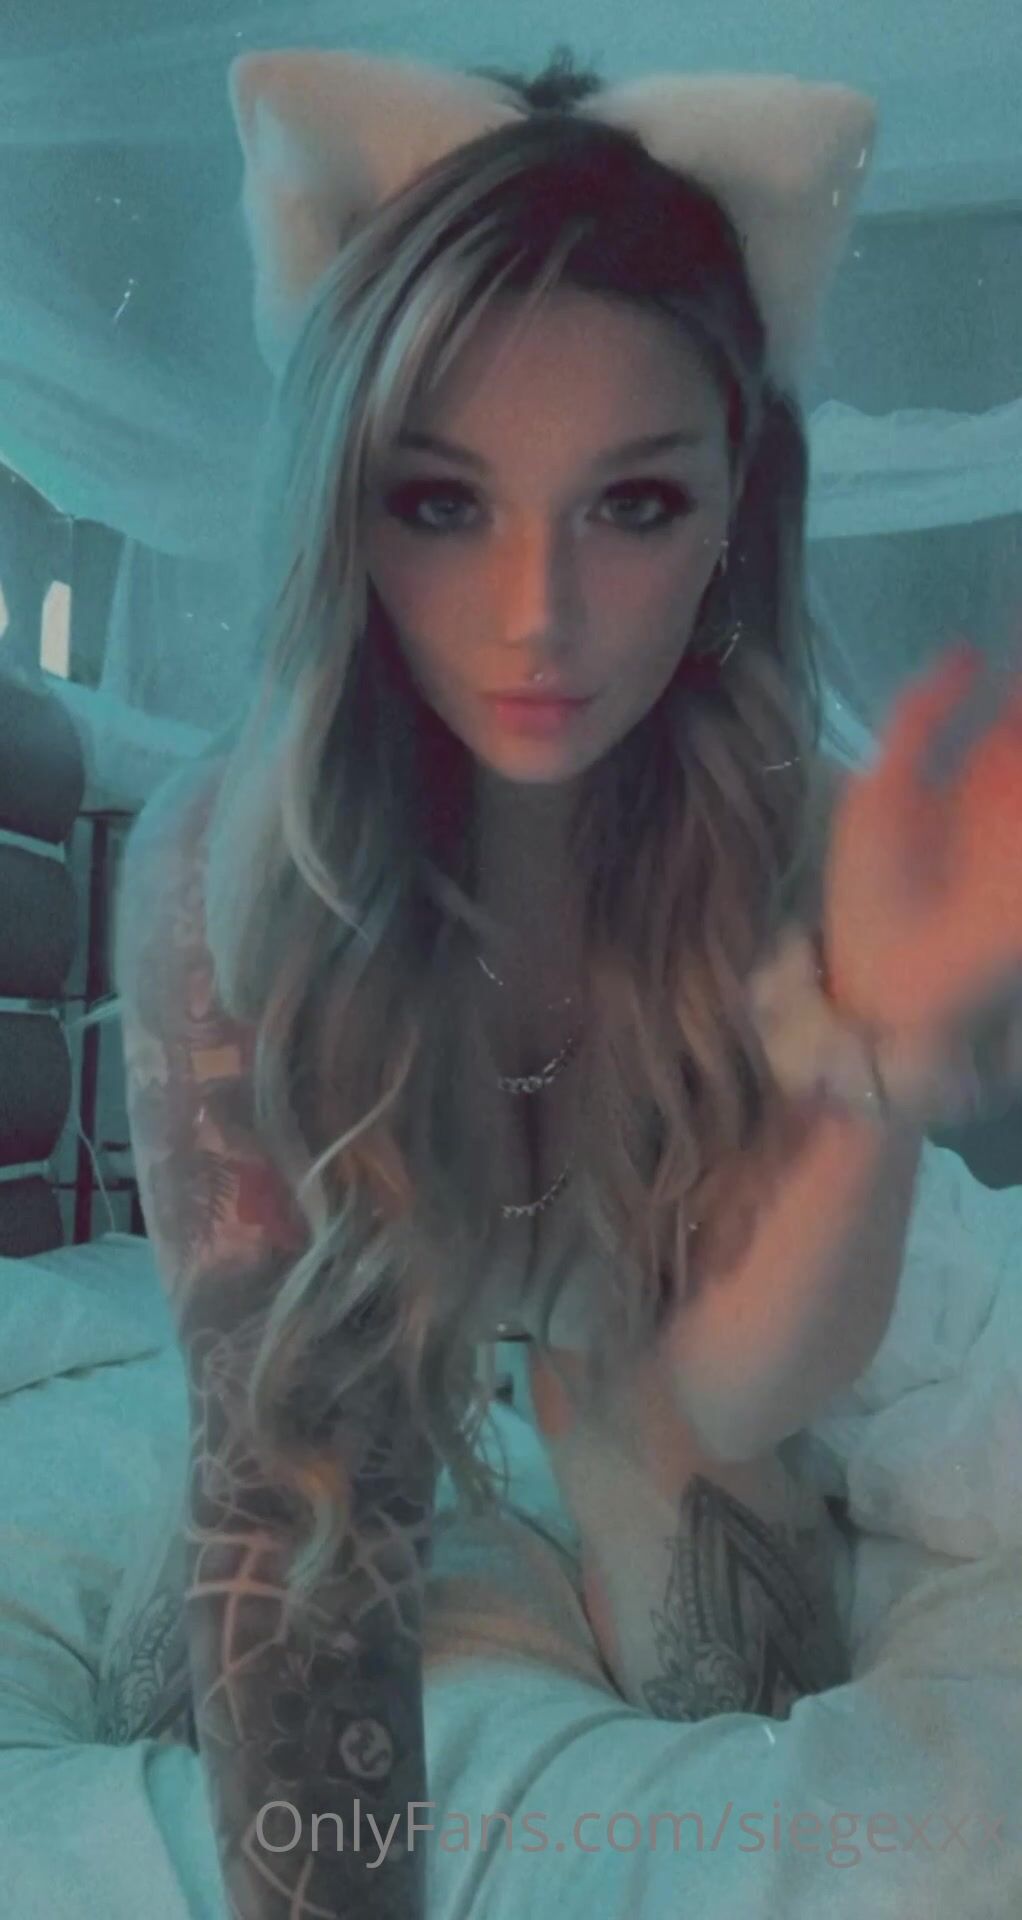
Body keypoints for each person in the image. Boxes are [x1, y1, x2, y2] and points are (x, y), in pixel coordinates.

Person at [105, 43, 1022, 1920]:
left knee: (733, 1652)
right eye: (441, 503)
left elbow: (741, 1383)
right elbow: (288, 1468)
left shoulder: (787, 821)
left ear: (735, 505)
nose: (538, 617)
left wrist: (880, 1059)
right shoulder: (227, 866)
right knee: (197, 1673)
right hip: (334, 1379)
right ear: (341, 506)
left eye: (634, 505)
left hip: (648, 1346)